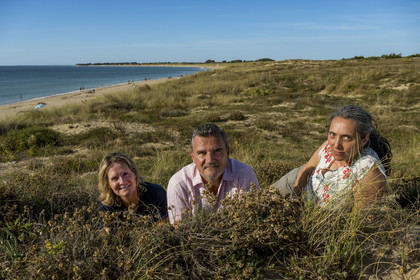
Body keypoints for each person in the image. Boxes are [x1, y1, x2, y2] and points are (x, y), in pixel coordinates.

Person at [273, 105, 392, 209]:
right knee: (259, 204)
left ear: (364, 139)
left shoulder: (369, 173)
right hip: (297, 183)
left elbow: (358, 223)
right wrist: (295, 200)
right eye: (332, 134)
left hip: (313, 209)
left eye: (347, 138)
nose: (336, 145)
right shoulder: (329, 145)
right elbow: (308, 168)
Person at [167, 124, 260, 225]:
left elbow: (251, 223)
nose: (210, 160)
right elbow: (182, 233)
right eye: (202, 153)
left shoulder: (244, 175)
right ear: (193, 157)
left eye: (217, 151)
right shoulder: (179, 185)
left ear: (228, 152)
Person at [97, 153, 168, 231]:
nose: (122, 182)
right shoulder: (105, 207)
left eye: (125, 174)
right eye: (114, 178)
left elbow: (164, 230)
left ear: (135, 174)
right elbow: (109, 239)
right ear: (108, 184)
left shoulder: (156, 193)